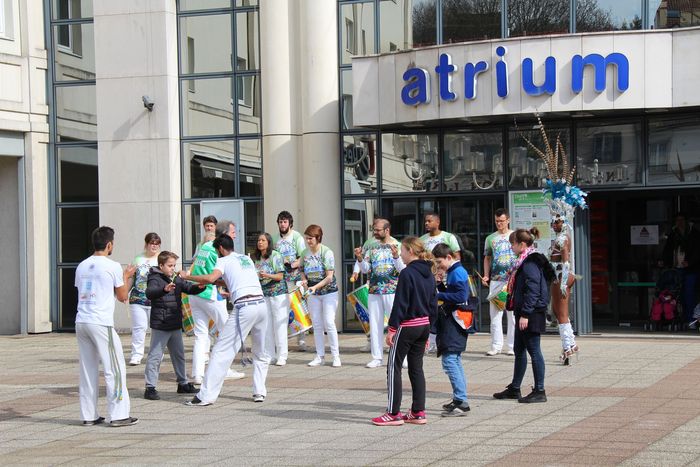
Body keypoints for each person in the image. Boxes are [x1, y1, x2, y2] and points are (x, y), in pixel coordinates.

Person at [181, 234, 270, 405]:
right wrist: (216, 284)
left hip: (245, 307)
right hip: (261, 305)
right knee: (260, 351)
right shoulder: (245, 259)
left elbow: (210, 278)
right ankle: (259, 392)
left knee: (221, 351)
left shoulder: (223, 260)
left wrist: (187, 276)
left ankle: (204, 397)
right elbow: (229, 279)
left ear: (220, 249)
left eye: (216, 250)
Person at [74, 226, 138, 427]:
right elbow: (122, 296)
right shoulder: (112, 266)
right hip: (101, 322)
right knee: (115, 368)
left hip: (81, 320)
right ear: (109, 244)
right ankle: (119, 414)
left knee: (87, 369)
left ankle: (89, 415)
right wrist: (127, 276)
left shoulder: (82, 265)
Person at [372, 237, 436, 426]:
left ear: (410, 251)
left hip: (408, 325)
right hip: (424, 325)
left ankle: (393, 413)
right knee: (416, 368)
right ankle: (418, 411)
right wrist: (430, 330)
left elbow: (400, 303)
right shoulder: (429, 272)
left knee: (394, 367)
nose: (400, 254)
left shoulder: (407, 273)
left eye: (402, 250)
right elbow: (433, 303)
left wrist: (392, 328)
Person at [493, 228, 553, 404]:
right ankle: (515, 388)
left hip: (531, 313)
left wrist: (526, 313)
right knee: (519, 350)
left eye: (513, 243)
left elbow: (533, 289)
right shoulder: (524, 261)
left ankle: (540, 390)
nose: (511, 247)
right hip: (523, 311)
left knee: (534, 351)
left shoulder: (529, 263)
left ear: (522, 244)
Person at [143, 251, 202, 400]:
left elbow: (188, 288)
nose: (172, 268)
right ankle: (150, 387)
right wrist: (164, 289)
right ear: (161, 265)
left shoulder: (176, 278)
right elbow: (150, 293)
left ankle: (183, 384)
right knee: (155, 357)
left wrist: (200, 287)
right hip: (161, 324)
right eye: (170, 265)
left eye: (174, 265)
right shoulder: (154, 277)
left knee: (179, 355)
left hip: (175, 323)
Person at [189, 229, 244, 384]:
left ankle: (198, 374)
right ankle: (224, 370)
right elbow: (218, 276)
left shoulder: (204, 246)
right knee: (227, 332)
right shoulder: (218, 253)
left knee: (200, 335)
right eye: (232, 232)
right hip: (210, 295)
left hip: (194, 294)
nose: (234, 235)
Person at [354, 218, 404, 368]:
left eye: (377, 230)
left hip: (393, 289)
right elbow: (365, 269)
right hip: (374, 290)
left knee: (397, 323)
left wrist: (396, 256)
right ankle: (377, 357)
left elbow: (403, 269)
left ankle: (402, 356)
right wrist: (360, 259)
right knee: (375, 324)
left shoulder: (398, 246)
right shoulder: (372, 247)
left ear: (387, 230)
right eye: (374, 230)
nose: (375, 232)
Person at [432, 243, 471, 417]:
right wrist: (440, 286)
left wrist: (437, 294)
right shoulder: (455, 271)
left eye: (439, 262)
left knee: (449, 360)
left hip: (455, 322)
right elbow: (454, 293)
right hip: (456, 321)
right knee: (454, 360)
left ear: (449, 257)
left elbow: (461, 296)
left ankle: (461, 401)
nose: (439, 266)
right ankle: (459, 398)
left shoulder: (457, 272)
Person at [300, 224, 341, 368]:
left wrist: (314, 287)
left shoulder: (327, 252)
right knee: (316, 324)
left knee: (329, 322)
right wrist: (304, 280)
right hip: (313, 293)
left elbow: (329, 277)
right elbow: (302, 270)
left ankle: (336, 356)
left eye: (310, 238)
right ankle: (320, 356)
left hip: (329, 292)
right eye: (306, 238)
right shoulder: (305, 253)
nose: (308, 241)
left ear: (318, 238)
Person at [420, 212, 460, 353]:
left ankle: (441, 339)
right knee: (430, 309)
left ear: (437, 222)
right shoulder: (422, 240)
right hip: (429, 278)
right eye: (425, 221)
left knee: (442, 309)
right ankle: (430, 341)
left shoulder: (448, 237)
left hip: (445, 278)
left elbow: (456, 257)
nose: (426, 223)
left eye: (429, 221)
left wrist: (447, 272)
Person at [482, 209, 517, 357]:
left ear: (508, 220)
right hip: (496, 280)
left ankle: (512, 346)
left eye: (502, 221)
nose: (499, 224)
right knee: (495, 314)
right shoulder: (490, 238)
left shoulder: (514, 235)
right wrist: (486, 275)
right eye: (497, 221)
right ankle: (496, 345)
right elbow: (487, 258)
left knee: (512, 315)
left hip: (512, 280)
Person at [273, 211, 309, 351]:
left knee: (297, 306)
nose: (282, 224)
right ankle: (282, 341)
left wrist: (293, 265)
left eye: (285, 222)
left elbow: (303, 256)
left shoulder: (296, 237)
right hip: (281, 279)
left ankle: (302, 340)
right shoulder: (275, 238)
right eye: (280, 222)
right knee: (283, 309)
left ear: (290, 223)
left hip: (295, 277)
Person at [253, 232, 290, 366]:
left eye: (262, 240)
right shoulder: (257, 258)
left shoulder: (275, 255)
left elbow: (280, 276)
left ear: (268, 242)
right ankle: (269, 354)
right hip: (265, 293)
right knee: (267, 325)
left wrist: (266, 274)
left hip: (278, 293)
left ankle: (282, 355)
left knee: (279, 325)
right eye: (258, 240)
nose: (260, 242)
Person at [127, 232, 161, 366]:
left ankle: (156, 354)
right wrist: (125, 292)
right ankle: (136, 355)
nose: (154, 246)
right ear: (146, 244)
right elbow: (131, 277)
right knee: (139, 327)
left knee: (157, 328)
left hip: (156, 299)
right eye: (152, 243)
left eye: (157, 244)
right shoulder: (138, 259)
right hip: (138, 298)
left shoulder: (162, 258)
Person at [661, 212, 700, 321]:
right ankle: (680, 318)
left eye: (682, 220)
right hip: (676, 269)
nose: (680, 222)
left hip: (691, 269)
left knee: (689, 294)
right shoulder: (673, 234)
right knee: (678, 294)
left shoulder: (694, 234)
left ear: (686, 221)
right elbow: (667, 250)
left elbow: (697, 251)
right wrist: (663, 261)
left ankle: (690, 319)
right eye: (678, 220)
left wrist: (689, 262)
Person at [550, 216, 579, 364]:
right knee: (560, 313)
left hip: (561, 277)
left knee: (561, 315)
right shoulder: (562, 237)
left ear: (564, 223)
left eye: (557, 222)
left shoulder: (562, 239)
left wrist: (562, 284)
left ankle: (567, 347)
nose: (554, 224)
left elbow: (566, 262)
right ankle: (571, 343)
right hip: (560, 276)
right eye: (553, 222)